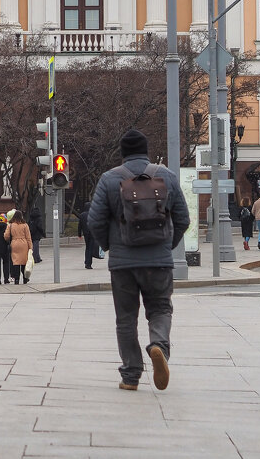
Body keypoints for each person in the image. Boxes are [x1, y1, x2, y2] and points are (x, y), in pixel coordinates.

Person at [87, 128, 189, 392]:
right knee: (160, 309)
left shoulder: (109, 179)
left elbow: (94, 220)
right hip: (159, 262)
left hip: (123, 265)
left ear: (122, 153)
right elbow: (183, 219)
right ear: (145, 150)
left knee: (125, 318)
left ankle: (131, 376)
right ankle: (158, 346)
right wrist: (167, 245)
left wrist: (110, 247)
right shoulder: (166, 176)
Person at [5, 209, 33, 284]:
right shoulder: (25, 225)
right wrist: (30, 247)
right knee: (24, 262)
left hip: (14, 244)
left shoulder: (10, 225)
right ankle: (25, 278)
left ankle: (16, 279)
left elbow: (6, 236)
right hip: (24, 244)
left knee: (16, 262)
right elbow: (28, 237)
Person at [79, 200, 99, 269]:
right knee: (91, 248)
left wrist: (79, 234)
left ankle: (86, 261)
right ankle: (88, 263)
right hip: (92, 233)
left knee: (87, 247)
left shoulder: (82, 215)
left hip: (86, 234)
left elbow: (80, 226)